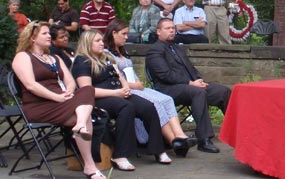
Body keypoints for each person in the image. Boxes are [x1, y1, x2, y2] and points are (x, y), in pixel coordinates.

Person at [11, 21, 105, 179]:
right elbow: (31, 85)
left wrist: (67, 93)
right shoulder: (22, 57)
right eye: (45, 33)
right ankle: (89, 165)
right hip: (39, 106)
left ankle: (80, 127)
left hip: (62, 101)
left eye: (49, 33)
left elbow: (70, 82)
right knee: (86, 114)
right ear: (32, 38)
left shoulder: (54, 57)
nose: (49, 36)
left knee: (88, 90)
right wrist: (57, 97)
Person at [72, 30, 167, 170]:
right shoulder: (82, 61)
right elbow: (87, 90)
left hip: (118, 93)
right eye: (97, 41)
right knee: (126, 107)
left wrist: (125, 88)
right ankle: (120, 155)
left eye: (102, 40)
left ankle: (157, 149)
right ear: (87, 43)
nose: (101, 43)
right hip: (98, 98)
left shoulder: (106, 58)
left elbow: (119, 77)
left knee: (148, 106)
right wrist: (115, 92)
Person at [103, 19, 197, 159]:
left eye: (127, 34)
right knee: (156, 103)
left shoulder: (123, 51)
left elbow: (131, 73)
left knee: (167, 99)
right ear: (113, 33)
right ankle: (173, 140)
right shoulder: (106, 55)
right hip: (125, 90)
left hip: (137, 86)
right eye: (124, 34)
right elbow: (115, 79)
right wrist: (136, 85)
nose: (127, 37)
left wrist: (138, 83)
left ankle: (180, 135)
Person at [146, 18, 231, 153]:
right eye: (167, 28)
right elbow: (165, 75)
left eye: (173, 28)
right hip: (167, 89)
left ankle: (234, 132)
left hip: (189, 86)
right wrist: (191, 83)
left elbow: (191, 68)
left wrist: (199, 80)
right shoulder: (155, 51)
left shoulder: (177, 48)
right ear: (158, 32)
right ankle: (204, 139)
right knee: (198, 92)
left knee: (223, 91)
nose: (171, 31)